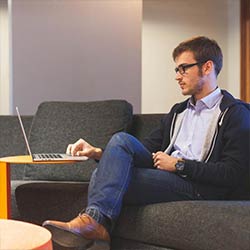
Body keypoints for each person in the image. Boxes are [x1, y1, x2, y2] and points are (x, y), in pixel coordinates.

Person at [43, 36, 250, 249]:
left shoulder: (234, 113)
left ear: (207, 67)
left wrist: (178, 165)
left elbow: (233, 173)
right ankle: (95, 223)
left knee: (103, 177)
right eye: (176, 70)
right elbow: (144, 149)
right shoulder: (178, 111)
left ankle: (94, 224)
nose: (178, 76)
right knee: (121, 142)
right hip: (167, 175)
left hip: (199, 186)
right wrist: (97, 152)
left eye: (184, 69)